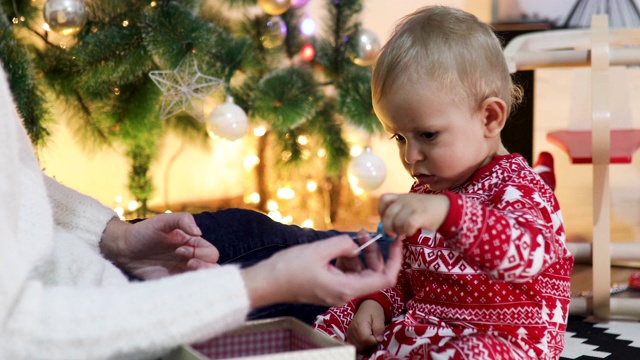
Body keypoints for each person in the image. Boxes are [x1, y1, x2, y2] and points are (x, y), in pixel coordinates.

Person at [0, 62, 403, 360]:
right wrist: (258, 285)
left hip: (90, 263)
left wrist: (114, 237)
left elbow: (13, 177)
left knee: (249, 230)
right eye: (400, 138)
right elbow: (25, 334)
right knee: (353, 263)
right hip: (99, 316)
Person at [313, 6, 574, 360]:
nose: (410, 157)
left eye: (427, 135)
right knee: (333, 320)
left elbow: (524, 256)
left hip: (507, 340)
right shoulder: (428, 191)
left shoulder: (520, 188)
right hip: (430, 327)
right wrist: (375, 304)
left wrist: (447, 212)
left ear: (489, 118)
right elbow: (406, 276)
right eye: (400, 138)